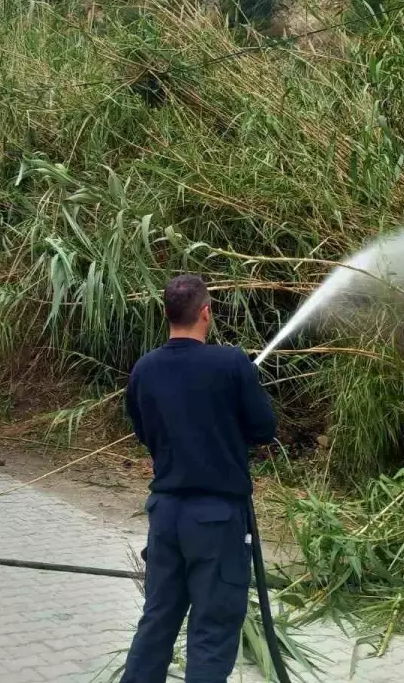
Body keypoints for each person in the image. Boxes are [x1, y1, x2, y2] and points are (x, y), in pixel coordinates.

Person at [121, 274, 278, 683]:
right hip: (216, 519)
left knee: (156, 622)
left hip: (166, 515)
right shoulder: (232, 363)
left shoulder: (145, 369)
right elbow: (264, 429)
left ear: (166, 314)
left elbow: (143, 433)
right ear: (205, 312)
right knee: (212, 629)